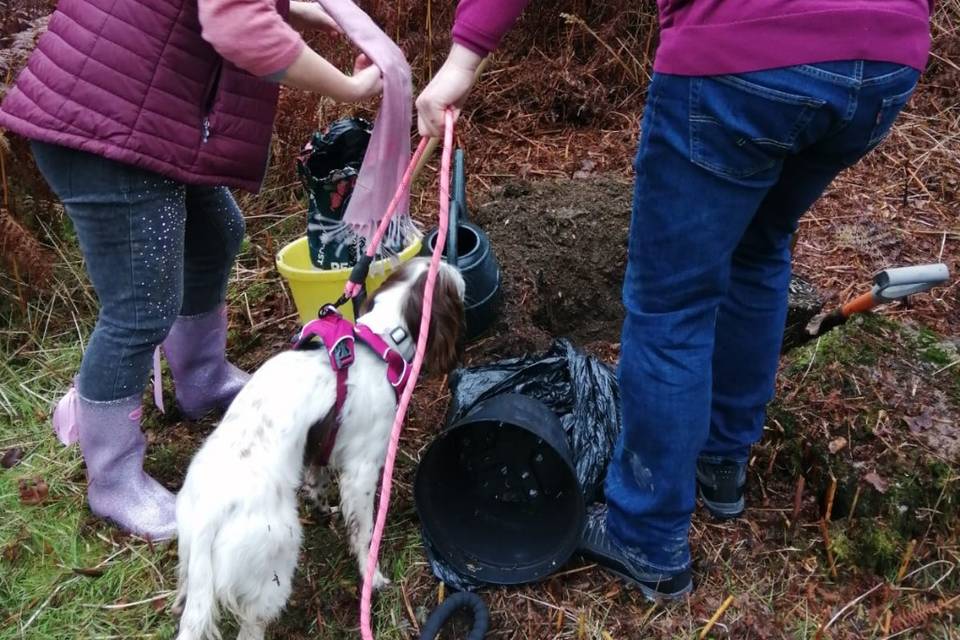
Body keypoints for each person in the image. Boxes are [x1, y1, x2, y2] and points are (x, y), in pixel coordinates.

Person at [419, 0, 932, 599]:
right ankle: (721, 464)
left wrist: (462, 59)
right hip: (884, 59)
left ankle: (647, 535)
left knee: (671, 304)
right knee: (758, 249)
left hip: (744, 56)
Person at [0, 0, 381, 541]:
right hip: (104, 127)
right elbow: (238, 22)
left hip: (143, 112)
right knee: (139, 307)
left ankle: (201, 381)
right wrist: (347, 87)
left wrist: (316, 12)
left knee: (216, 233)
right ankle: (112, 477)